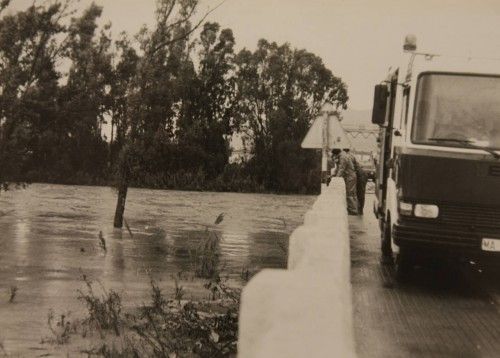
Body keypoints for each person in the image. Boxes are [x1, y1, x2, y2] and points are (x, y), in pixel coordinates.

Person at [331, 148, 358, 215]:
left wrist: (336, 178)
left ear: (336, 154)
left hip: (350, 177)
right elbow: (339, 167)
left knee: (350, 193)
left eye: (334, 155)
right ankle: (353, 209)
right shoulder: (343, 155)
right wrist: (334, 174)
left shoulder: (343, 157)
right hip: (350, 176)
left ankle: (353, 210)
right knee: (352, 193)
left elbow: (342, 168)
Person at [344, 149, 368, 215]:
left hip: (361, 175)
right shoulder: (350, 155)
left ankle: (360, 210)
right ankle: (359, 209)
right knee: (359, 192)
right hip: (360, 174)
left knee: (360, 192)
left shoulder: (348, 156)